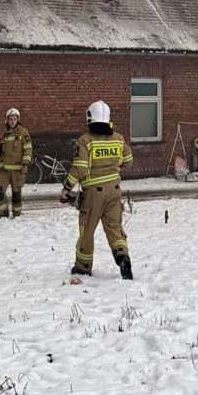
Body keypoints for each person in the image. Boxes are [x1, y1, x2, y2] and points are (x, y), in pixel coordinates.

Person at [61, 100, 134, 280]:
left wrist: (66, 187)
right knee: (114, 227)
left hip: (94, 193)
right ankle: (122, 256)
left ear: (90, 118)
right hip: (115, 191)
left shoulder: (85, 140)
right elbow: (129, 159)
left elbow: (80, 168)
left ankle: (83, 267)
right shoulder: (118, 138)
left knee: (87, 230)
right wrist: (113, 167)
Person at [0, 108, 32, 220]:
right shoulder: (4, 135)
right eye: (10, 119)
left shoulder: (23, 132)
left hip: (17, 169)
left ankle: (16, 214)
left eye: (14, 119)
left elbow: (28, 150)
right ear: (7, 120)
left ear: (18, 120)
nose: (12, 121)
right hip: (3, 169)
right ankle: (2, 213)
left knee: (16, 193)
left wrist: (25, 165)